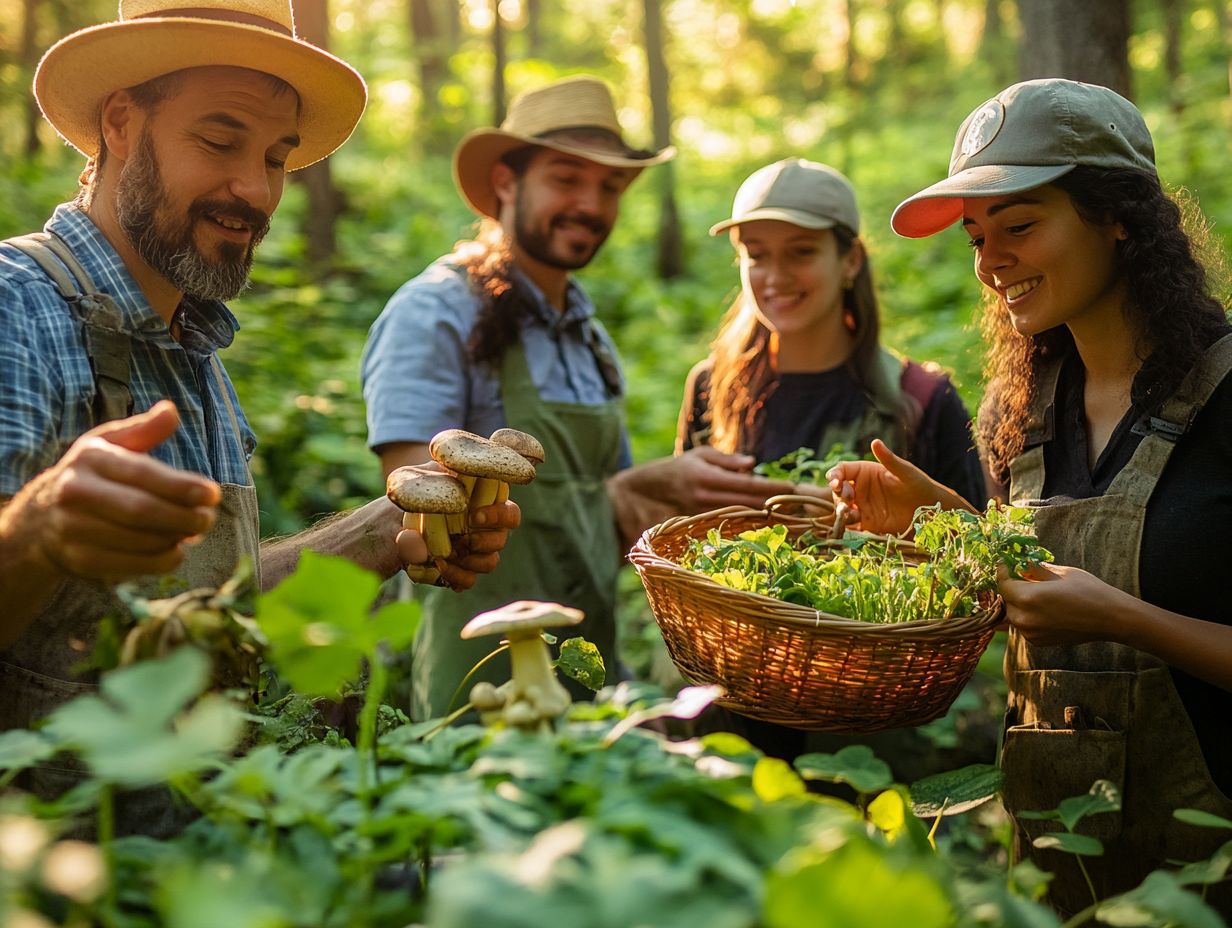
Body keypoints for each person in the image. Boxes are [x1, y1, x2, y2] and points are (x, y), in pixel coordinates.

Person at [0, 0, 518, 831]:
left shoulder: (193, 350)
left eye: (277, 157)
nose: (255, 190)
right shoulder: (15, 308)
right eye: (219, 140)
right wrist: (37, 528)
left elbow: (217, 611)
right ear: (123, 123)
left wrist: (378, 532)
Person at [828, 78, 1232, 916]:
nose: (988, 261)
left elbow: (1110, 600)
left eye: (1019, 226)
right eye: (976, 237)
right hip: (1058, 875)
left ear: (1121, 215)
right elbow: (1049, 590)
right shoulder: (1021, 410)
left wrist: (1124, 618)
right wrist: (946, 524)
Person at [362, 76, 799, 721]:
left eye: (610, 187)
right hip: (478, 677)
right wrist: (620, 496)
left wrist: (660, 495)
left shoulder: (589, 338)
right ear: (507, 184)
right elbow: (419, 509)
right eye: (567, 179)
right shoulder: (436, 312)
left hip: (587, 664)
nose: (591, 204)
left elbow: (607, 508)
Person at [678, 158, 987, 771]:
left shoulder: (919, 401)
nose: (773, 275)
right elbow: (684, 550)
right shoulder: (713, 389)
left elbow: (976, 570)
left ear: (849, 260)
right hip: (732, 708)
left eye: (800, 252)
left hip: (870, 724)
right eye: (755, 253)